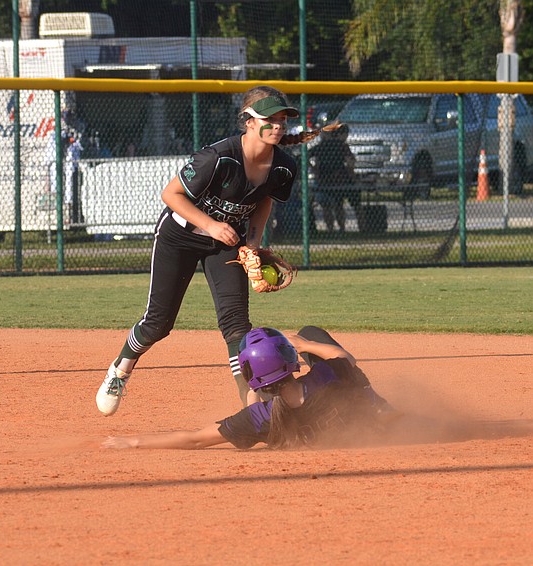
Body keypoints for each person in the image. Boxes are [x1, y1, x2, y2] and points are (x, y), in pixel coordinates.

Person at [95, 86, 331, 416]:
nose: (278, 125)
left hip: (227, 243)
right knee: (158, 324)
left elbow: (264, 200)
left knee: (237, 327)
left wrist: (253, 243)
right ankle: (121, 369)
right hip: (180, 236)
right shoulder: (218, 157)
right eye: (269, 119)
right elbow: (171, 194)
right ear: (248, 121)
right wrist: (211, 225)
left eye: (282, 119)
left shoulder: (283, 166)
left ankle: (253, 407)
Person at [102, 326, 402, 450]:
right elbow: (344, 359)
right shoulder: (325, 377)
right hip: (361, 422)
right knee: (312, 333)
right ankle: (377, 404)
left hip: (293, 430)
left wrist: (135, 442)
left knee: (256, 411)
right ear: (289, 359)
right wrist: (304, 343)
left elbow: (195, 439)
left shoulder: (261, 417)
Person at [309, 123, 358, 233]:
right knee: (335, 205)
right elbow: (350, 161)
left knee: (330, 206)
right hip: (331, 179)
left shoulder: (332, 146)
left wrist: (314, 169)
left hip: (328, 180)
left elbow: (306, 156)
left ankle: (333, 229)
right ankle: (339, 228)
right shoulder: (329, 146)